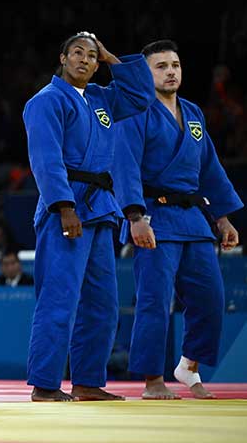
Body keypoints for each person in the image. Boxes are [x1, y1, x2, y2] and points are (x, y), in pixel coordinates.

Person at [23, 31, 153, 402]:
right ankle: (45, 384)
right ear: (62, 58)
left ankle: (87, 381)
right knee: (59, 298)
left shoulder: (100, 99)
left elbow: (141, 96)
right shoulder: (46, 101)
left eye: (92, 56)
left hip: (101, 208)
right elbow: (45, 160)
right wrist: (64, 207)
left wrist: (115, 60)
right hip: (67, 207)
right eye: (77, 53)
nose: (84, 60)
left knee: (103, 302)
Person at [114, 39, 243, 400]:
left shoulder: (193, 113)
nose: (171, 71)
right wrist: (135, 216)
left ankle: (188, 365)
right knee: (155, 300)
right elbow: (124, 166)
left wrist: (222, 217)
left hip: (193, 220)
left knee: (211, 298)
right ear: (145, 73)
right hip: (155, 217)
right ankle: (153, 379)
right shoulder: (135, 113)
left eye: (175, 64)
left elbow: (210, 170)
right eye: (161, 66)